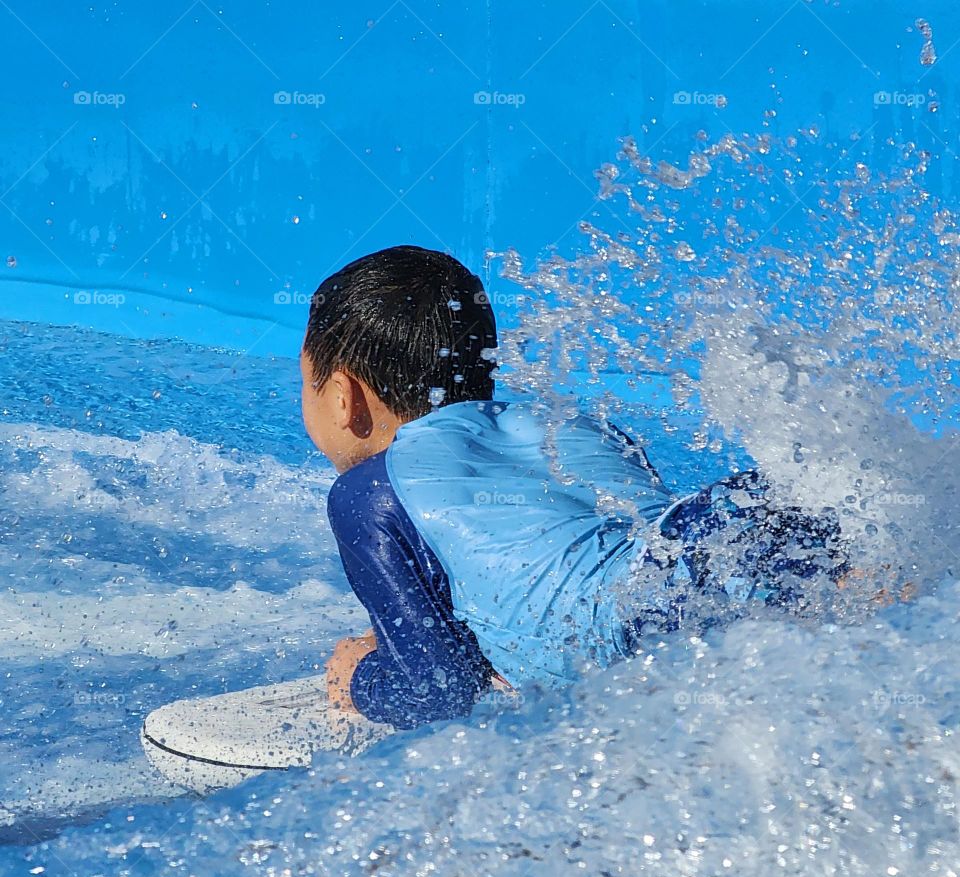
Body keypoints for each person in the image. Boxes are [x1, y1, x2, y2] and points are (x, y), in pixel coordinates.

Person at [301, 245, 849, 731]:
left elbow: (439, 691)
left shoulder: (368, 493)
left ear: (344, 397)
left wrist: (362, 678)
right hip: (721, 531)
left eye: (306, 383)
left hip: (645, 620)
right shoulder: (571, 425)